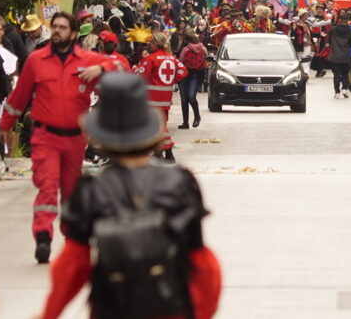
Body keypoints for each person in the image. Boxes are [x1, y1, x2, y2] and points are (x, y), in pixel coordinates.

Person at [40, 73, 221, 319]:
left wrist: (48, 315)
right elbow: (202, 264)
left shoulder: (90, 190)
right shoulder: (181, 182)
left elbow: (72, 266)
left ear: (99, 135)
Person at [0, 12, 118, 263]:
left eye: (63, 27)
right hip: (45, 136)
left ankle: (70, 235)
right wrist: (5, 127)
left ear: (73, 33)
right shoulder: (36, 60)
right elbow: (19, 97)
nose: (57, 31)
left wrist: (101, 67)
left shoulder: (87, 60)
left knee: (71, 192)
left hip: (75, 140)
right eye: (55, 27)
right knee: (48, 185)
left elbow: (118, 66)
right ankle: (43, 235)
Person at [134, 32, 188, 163]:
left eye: (151, 42)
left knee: (158, 126)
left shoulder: (150, 59)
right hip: (165, 98)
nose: (150, 45)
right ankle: (161, 153)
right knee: (161, 125)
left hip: (152, 98)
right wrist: (171, 81)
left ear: (156, 43)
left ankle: (167, 152)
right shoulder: (172, 58)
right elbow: (183, 72)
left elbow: (141, 78)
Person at [177, 30, 207, 129]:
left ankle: (186, 122)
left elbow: (180, 61)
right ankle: (196, 117)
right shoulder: (203, 49)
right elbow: (205, 60)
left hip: (184, 75)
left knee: (184, 99)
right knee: (191, 97)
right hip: (196, 75)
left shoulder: (185, 49)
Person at [327, 14, 351, 99]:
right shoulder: (350, 30)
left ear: (339, 20)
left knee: (336, 75)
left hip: (335, 56)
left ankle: (337, 92)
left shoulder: (333, 30)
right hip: (345, 56)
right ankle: (344, 89)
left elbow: (328, 41)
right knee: (345, 74)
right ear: (347, 20)